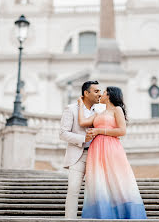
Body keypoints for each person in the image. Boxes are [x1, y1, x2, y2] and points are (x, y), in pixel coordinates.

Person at [78, 86, 147, 219]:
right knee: (98, 181)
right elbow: (82, 122)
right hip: (96, 149)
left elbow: (122, 131)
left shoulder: (117, 110)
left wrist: (99, 131)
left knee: (116, 179)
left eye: (103, 92)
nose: (101, 95)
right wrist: (81, 104)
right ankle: (102, 214)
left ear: (109, 95)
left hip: (111, 148)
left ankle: (123, 213)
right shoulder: (98, 113)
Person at [59, 80, 101, 218]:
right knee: (73, 190)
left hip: (95, 156)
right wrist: (84, 139)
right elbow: (63, 133)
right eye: (96, 91)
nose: (99, 94)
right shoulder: (71, 109)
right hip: (77, 156)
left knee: (94, 192)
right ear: (86, 93)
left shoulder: (100, 111)